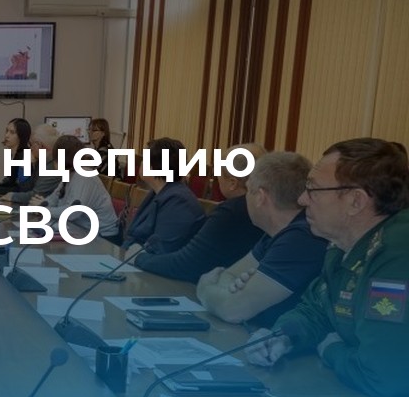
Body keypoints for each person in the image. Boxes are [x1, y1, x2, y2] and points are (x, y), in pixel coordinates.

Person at [246, 138, 409, 397]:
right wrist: (282, 336)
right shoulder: (342, 245)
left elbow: (383, 375)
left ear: (356, 201)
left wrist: (331, 348)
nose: (302, 199)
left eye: (313, 189)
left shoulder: (396, 253)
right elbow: (316, 309)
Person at [197, 152, 328, 328]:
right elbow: (229, 275)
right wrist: (232, 292)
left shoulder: (302, 238)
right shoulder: (277, 232)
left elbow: (233, 311)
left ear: (260, 196)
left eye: (248, 190)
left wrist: (204, 289)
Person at [131, 143, 266, 281]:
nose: (217, 178)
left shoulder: (231, 213)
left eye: (218, 173)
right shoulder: (264, 207)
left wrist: (139, 258)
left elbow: (184, 264)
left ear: (232, 183)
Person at [121, 137, 206, 254]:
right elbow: (134, 235)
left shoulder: (179, 202)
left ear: (154, 166)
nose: (140, 163)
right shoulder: (158, 192)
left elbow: (160, 248)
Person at [30, 135, 119, 238]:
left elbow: (72, 213)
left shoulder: (84, 176)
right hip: (80, 230)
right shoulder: (70, 174)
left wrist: (44, 210)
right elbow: (54, 199)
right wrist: (42, 205)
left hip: (103, 238)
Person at [0, 118, 33, 196]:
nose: (7, 135)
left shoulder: (26, 157)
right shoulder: (12, 154)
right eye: (7, 131)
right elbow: (10, 182)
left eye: (12, 132)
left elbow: (22, 189)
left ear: (21, 136)